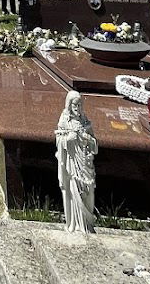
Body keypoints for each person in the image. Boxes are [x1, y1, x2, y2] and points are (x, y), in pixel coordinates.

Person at [55, 90, 97, 235]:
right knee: (74, 191)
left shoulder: (85, 121)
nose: (78, 108)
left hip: (85, 162)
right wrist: (68, 139)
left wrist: (89, 139)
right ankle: (75, 222)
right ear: (69, 105)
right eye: (75, 105)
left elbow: (94, 142)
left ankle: (87, 223)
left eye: (80, 105)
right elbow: (59, 140)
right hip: (72, 163)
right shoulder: (65, 120)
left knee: (89, 190)